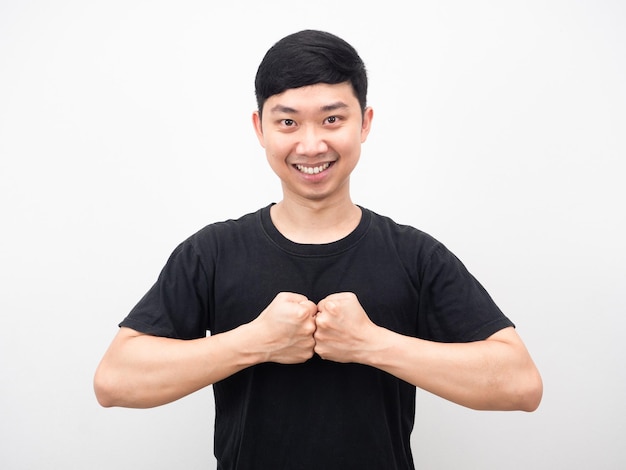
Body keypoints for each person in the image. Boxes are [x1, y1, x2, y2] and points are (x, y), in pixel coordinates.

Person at [94, 29, 542, 469]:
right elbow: (115, 381)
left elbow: (520, 384)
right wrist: (255, 342)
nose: (311, 145)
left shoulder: (416, 256)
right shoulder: (211, 252)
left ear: (364, 123)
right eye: (288, 122)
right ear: (260, 128)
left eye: (332, 119)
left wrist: (370, 344)